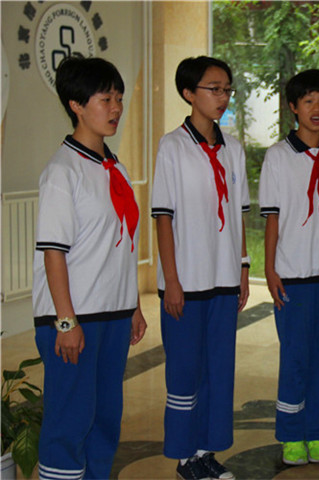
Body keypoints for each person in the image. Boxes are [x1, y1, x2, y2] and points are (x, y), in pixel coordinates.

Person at [32, 56, 147, 480]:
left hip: (112, 315)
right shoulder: (62, 172)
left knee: (104, 421)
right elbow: (53, 253)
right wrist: (66, 322)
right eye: (105, 99)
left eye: (119, 97)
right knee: (69, 421)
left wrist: (132, 305)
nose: (116, 108)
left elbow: (121, 246)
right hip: (73, 318)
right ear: (76, 105)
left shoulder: (115, 168)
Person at [151, 56, 250, 480]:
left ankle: (206, 452)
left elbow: (239, 213)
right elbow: (163, 216)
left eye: (227, 89)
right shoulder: (172, 147)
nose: (222, 97)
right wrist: (172, 280)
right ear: (189, 93)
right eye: (214, 88)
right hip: (186, 283)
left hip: (223, 279)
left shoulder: (234, 149)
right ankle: (184, 456)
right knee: (185, 372)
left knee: (217, 371)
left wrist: (243, 268)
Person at [259, 69, 319, 466]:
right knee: (295, 358)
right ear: (293, 108)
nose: (317, 108)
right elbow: (272, 218)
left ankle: (316, 431)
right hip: (293, 275)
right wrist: (270, 268)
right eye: (308, 101)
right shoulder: (278, 157)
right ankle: (290, 434)